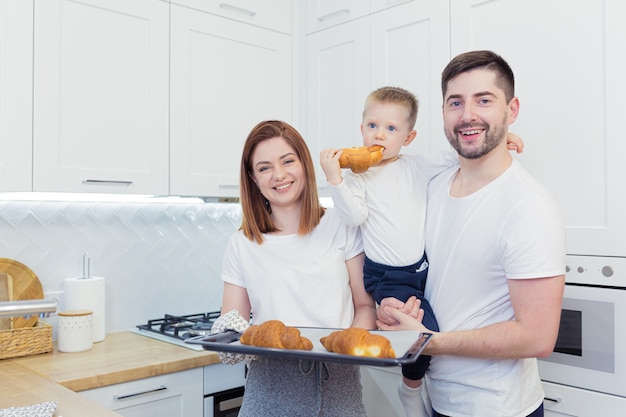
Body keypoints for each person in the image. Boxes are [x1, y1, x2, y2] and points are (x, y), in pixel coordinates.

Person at [377, 50, 566, 417]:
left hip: (499, 409)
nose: (468, 116)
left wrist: (428, 342)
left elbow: (539, 337)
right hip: (440, 399)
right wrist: (394, 308)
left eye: (484, 100)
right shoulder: (433, 186)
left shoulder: (528, 207)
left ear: (511, 111)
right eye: (455, 102)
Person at [319, 86, 524, 417]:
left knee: (435, 325)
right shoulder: (359, 178)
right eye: (372, 126)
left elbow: (463, 153)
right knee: (423, 335)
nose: (379, 136)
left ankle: (415, 383)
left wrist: (501, 140)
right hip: (386, 275)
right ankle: (411, 390)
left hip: (422, 269)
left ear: (408, 137)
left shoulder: (417, 166)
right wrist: (336, 179)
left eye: (391, 129)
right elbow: (353, 217)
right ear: (361, 130)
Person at [212, 120, 377, 417]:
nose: (279, 175)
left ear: (304, 164)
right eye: (264, 168)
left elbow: (365, 306)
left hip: (339, 389)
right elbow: (232, 323)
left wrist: (348, 346)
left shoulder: (341, 225)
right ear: (252, 178)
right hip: (269, 393)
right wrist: (227, 342)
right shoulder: (242, 243)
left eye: (288, 161)